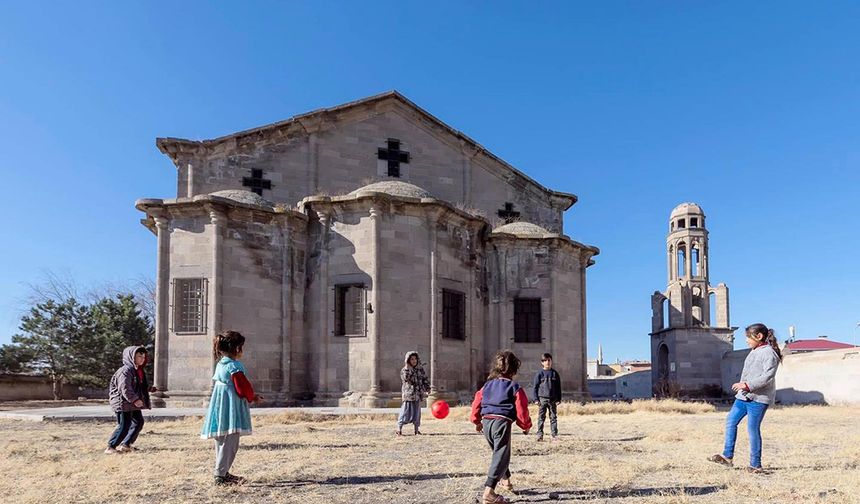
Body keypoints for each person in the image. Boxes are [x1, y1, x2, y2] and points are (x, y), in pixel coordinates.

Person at [709, 323, 782, 473]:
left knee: (752, 429)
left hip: (758, 399)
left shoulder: (769, 353)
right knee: (731, 421)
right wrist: (743, 388)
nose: (747, 341)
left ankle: (755, 465)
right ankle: (727, 456)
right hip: (743, 398)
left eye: (748, 338)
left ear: (759, 336)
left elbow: (767, 377)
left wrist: (747, 385)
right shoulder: (754, 351)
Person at [470, 350, 533, 504]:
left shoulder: (487, 385)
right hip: (501, 423)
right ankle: (489, 492)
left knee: (500, 454)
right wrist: (525, 425)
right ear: (514, 370)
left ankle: (506, 481)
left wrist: (476, 421)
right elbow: (522, 409)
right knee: (501, 455)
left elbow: (477, 402)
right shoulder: (514, 387)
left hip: (486, 423)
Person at [200, 330, 262, 485]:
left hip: (221, 405)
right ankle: (220, 475)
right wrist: (253, 397)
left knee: (221, 439)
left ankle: (223, 472)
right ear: (236, 348)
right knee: (231, 441)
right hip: (231, 406)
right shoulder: (234, 366)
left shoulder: (221, 364)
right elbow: (242, 387)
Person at [106, 346, 155, 454]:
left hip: (131, 403)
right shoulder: (126, 370)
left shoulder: (137, 370)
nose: (142, 358)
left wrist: (149, 389)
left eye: (143, 356)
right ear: (131, 357)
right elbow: (125, 388)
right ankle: (111, 447)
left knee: (138, 422)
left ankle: (126, 445)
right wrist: (135, 400)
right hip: (122, 402)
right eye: (139, 356)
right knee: (124, 425)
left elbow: (137, 386)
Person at [396, 351, 430, 436]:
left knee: (417, 413)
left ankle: (416, 430)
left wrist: (427, 388)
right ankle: (399, 429)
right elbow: (406, 379)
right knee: (405, 412)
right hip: (408, 395)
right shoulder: (405, 370)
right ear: (408, 360)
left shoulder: (420, 369)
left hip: (417, 395)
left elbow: (424, 379)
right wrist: (408, 369)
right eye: (412, 359)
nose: (414, 361)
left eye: (415, 359)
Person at [531, 352, 562, 442]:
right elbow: (535, 387)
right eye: (545, 360)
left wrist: (559, 398)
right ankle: (540, 435)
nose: (547, 362)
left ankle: (554, 435)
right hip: (542, 399)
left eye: (549, 360)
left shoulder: (555, 374)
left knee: (553, 417)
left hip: (553, 399)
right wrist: (536, 399)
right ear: (542, 362)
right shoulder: (539, 374)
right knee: (541, 417)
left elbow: (558, 387)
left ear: (551, 361)